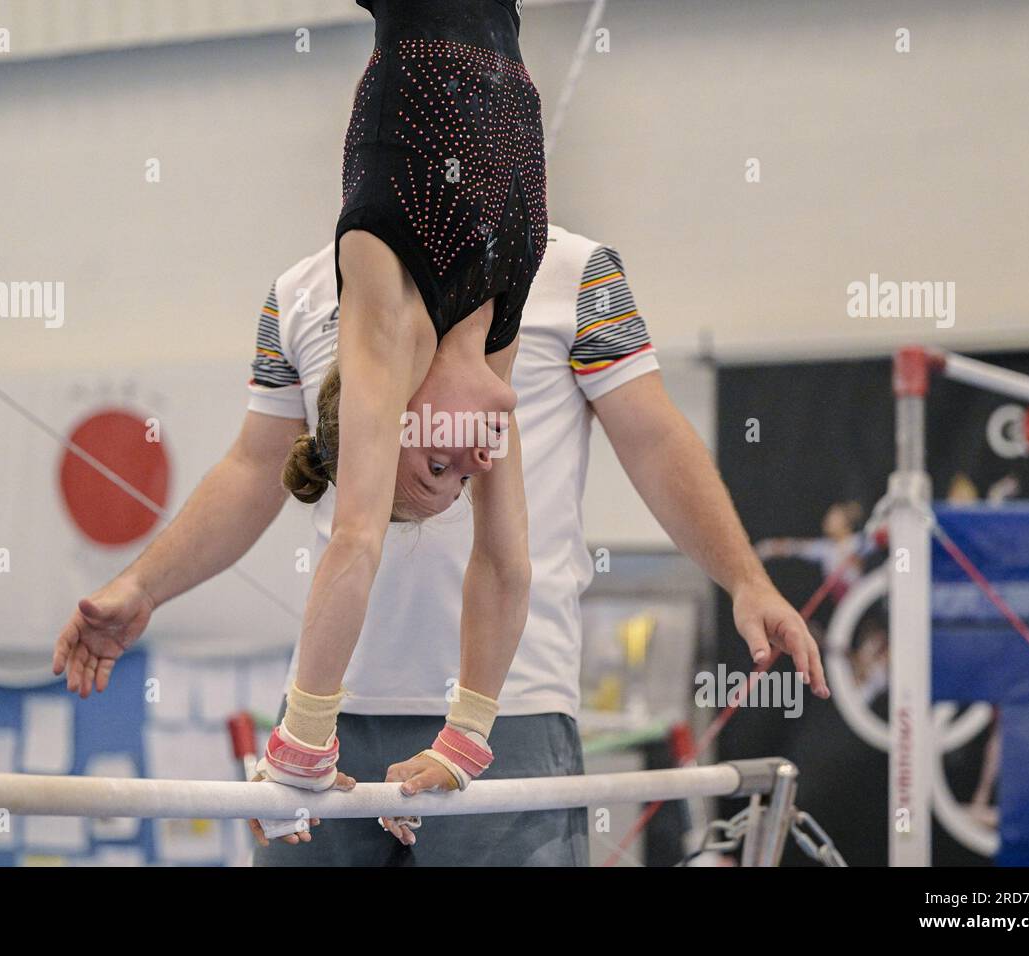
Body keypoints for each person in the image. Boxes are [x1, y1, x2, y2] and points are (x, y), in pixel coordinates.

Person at [52, 223, 830, 865]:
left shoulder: (573, 273)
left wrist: (746, 580)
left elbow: (656, 440)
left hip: (506, 712)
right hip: (327, 712)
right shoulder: (302, 292)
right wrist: (143, 586)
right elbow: (256, 467)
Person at [56, 0, 550, 837]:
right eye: (460, 480)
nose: (474, 456)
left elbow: (353, 537)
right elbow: (505, 566)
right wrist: (466, 739)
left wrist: (303, 745)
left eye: (437, 466)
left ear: (389, 416)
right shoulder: (489, 339)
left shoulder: (387, 320)